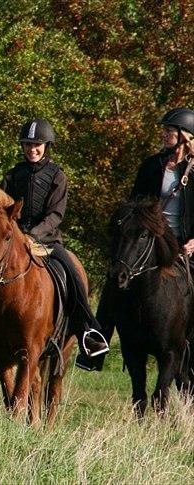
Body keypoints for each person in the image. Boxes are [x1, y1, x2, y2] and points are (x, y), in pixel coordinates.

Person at [0, 118, 109, 367]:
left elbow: (56, 214)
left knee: (72, 273)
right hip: (13, 242)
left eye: (37, 145)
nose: (32, 149)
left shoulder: (57, 176)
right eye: (27, 144)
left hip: (48, 241)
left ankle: (88, 331)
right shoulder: (12, 175)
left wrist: (33, 234)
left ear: (46, 146)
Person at [83, 108, 194, 371]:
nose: (165, 134)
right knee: (116, 278)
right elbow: (134, 205)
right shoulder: (151, 166)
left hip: (185, 242)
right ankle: (98, 345)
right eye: (165, 130)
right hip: (151, 241)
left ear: (185, 136)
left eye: (170, 130)